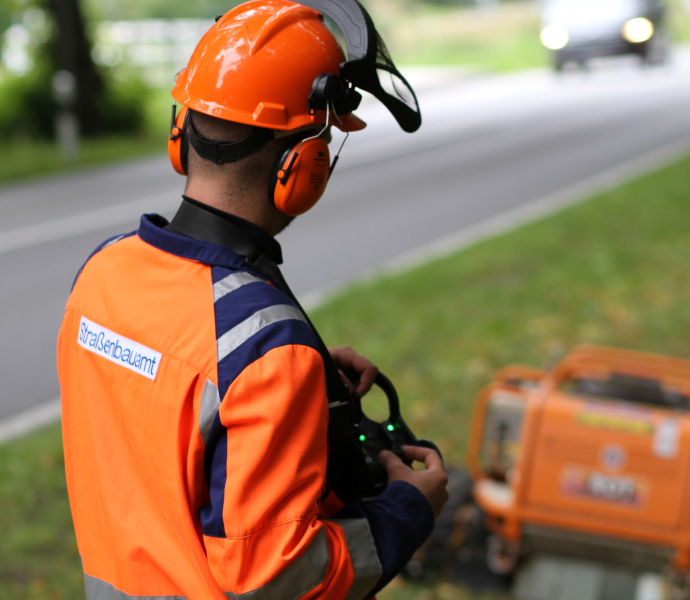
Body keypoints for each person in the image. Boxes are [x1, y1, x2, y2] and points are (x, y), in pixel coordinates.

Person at [56, 1, 448, 598]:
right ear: (304, 161)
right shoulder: (263, 349)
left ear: (180, 131)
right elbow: (276, 578)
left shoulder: (103, 274)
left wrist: (298, 379)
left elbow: (171, 400)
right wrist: (407, 510)